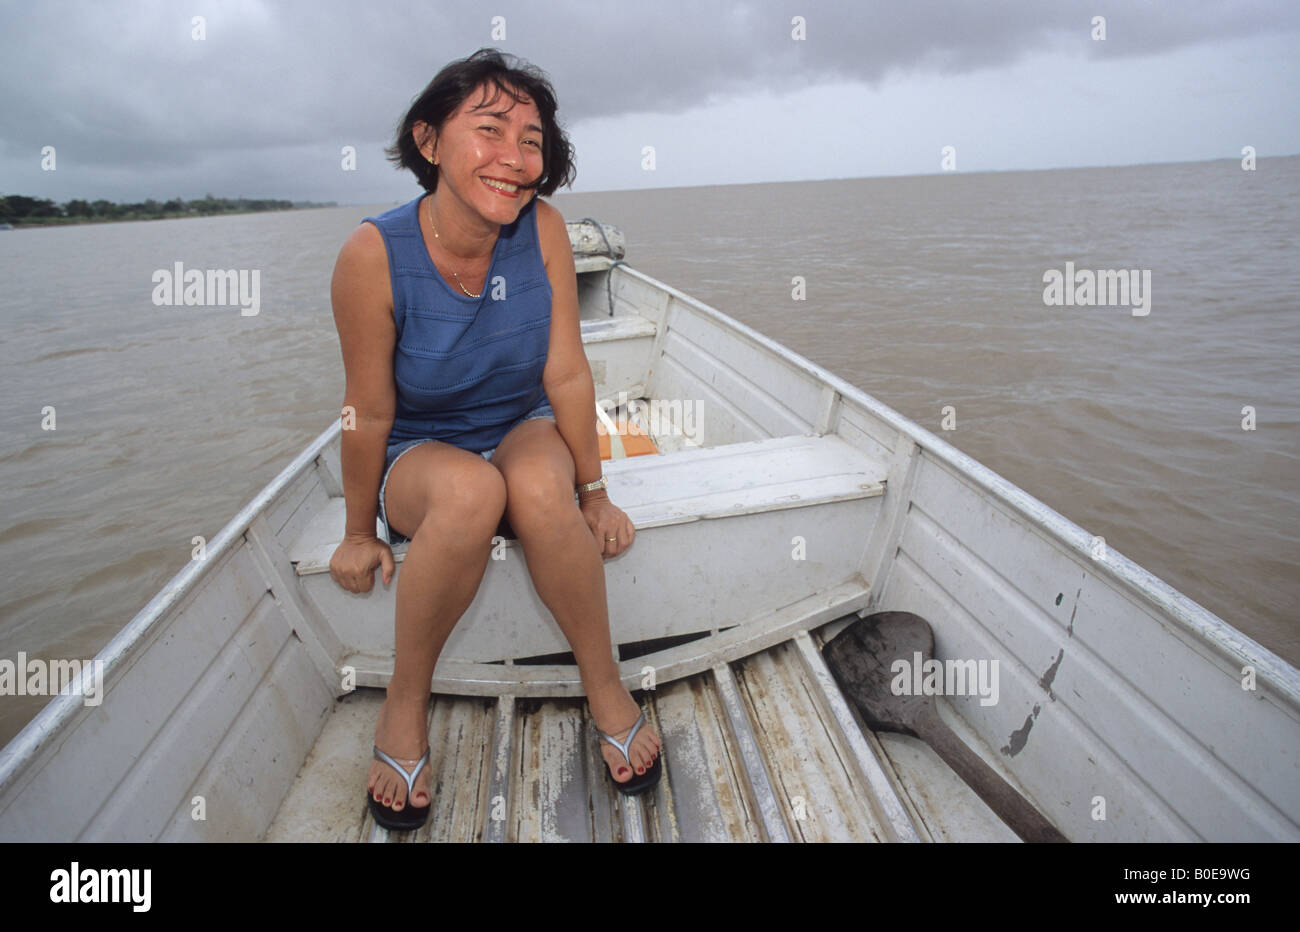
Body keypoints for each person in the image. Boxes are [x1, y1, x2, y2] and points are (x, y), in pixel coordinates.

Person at [326, 48, 661, 831]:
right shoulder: (371, 255)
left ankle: (604, 687)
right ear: (430, 141)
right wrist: (354, 532)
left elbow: (568, 376)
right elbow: (367, 412)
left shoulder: (542, 228)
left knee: (539, 487)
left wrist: (596, 491)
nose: (515, 159)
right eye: (490, 130)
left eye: (532, 140)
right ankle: (404, 713)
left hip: (518, 426)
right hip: (420, 449)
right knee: (471, 493)